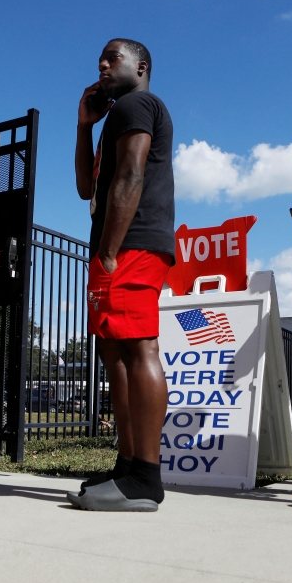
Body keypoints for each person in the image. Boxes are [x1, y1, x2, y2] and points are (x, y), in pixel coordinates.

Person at [67, 39, 175, 512]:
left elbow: (130, 175)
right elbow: (85, 187)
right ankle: (128, 467)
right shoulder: (116, 115)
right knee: (116, 355)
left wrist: (110, 249)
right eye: (100, 60)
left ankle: (146, 479)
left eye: (114, 58)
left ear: (142, 67)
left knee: (137, 348)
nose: (103, 65)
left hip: (131, 243)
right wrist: (83, 127)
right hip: (117, 245)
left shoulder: (138, 103)